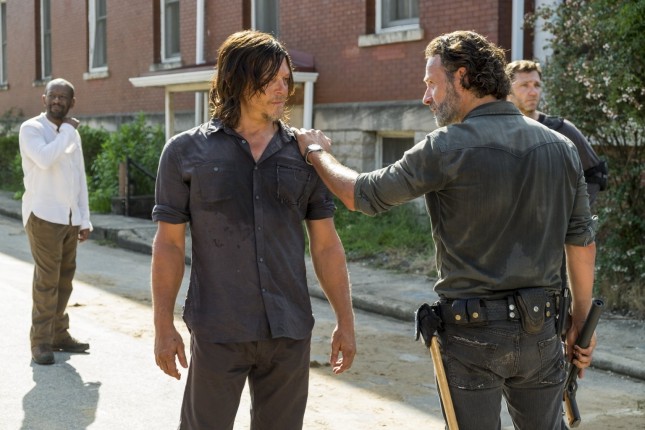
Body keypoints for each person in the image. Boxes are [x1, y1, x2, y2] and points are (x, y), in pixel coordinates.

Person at [294, 30, 597, 429]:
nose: (426, 97)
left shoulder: (445, 146)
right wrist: (581, 321)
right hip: (542, 330)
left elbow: (361, 194)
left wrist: (315, 151)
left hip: (473, 337)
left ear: (462, 77)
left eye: (431, 84)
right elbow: (582, 243)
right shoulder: (561, 146)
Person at [151, 30, 356, 430]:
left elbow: (326, 245)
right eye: (271, 79)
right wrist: (162, 325)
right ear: (238, 79)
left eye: (286, 79)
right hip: (218, 328)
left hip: (288, 330)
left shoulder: (306, 155)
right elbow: (169, 246)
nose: (284, 90)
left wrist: (345, 322)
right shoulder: (184, 152)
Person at [19, 78, 92, 365]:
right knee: (46, 282)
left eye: (63, 97)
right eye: (53, 96)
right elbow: (45, 159)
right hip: (43, 216)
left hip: (69, 218)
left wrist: (84, 218)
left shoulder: (72, 133)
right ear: (44, 99)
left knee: (64, 282)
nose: (58, 101)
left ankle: (59, 335)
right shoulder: (32, 129)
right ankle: (40, 342)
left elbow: (79, 177)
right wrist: (68, 130)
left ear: (72, 102)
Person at [506, 59, 608, 207]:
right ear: (507, 90)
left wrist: (574, 214)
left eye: (537, 85)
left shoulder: (561, 130)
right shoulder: (496, 131)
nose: (533, 92)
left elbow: (595, 174)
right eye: (524, 85)